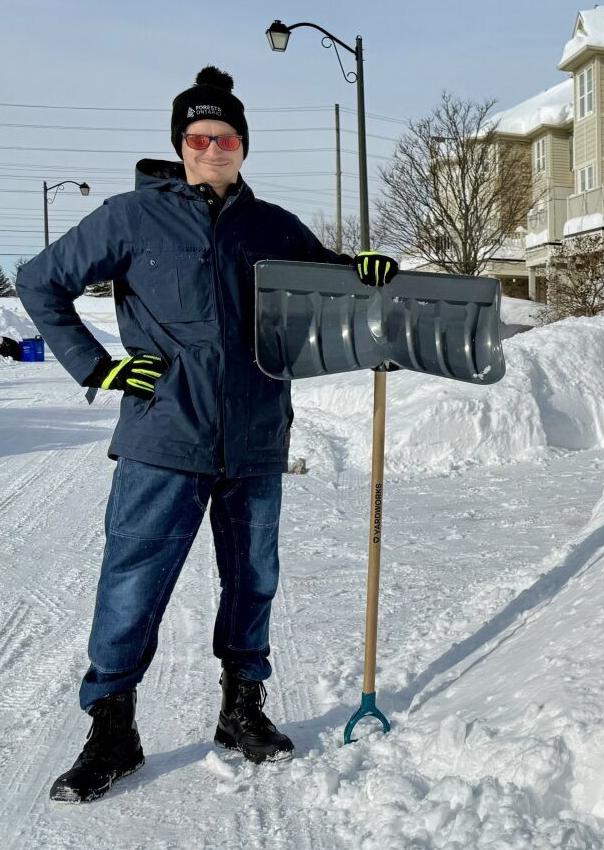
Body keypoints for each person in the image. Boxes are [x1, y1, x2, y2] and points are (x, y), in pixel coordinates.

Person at [17, 66, 401, 803]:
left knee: (253, 579)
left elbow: (330, 285)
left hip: (256, 435)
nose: (211, 147)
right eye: (198, 137)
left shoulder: (273, 225)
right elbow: (40, 280)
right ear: (181, 146)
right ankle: (113, 727)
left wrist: (364, 269)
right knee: (132, 583)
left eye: (224, 136)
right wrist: (96, 370)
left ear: (242, 146)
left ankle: (240, 710)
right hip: (165, 434)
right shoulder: (131, 216)